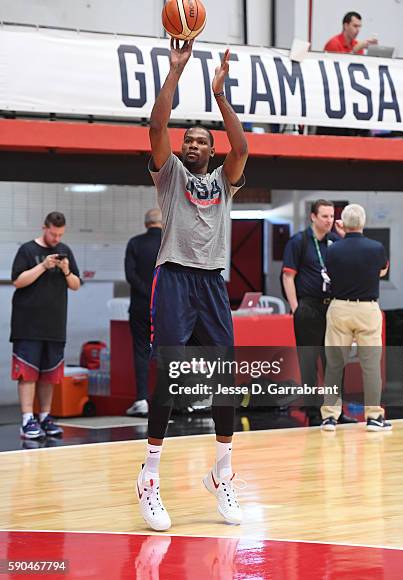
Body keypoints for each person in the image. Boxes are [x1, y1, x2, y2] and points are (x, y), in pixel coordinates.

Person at [135, 38, 248, 532]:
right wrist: (176, 70)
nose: (194, 144)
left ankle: (222, 471)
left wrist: (220, 95)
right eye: (190, 139)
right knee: (169, 376)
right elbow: (157, 125)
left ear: (212, 149)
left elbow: (242, 147)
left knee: (227, 379)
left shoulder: (225, 181)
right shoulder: (171, 176)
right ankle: (150, 476)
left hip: (212, 284)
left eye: (203, 140)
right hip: (176, 277)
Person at [282, 199, 357, 426]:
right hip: (308, 307)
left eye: (332, 216)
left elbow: (354, 261)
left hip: (332, 306)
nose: (329, 220)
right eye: (324, 216)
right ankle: (314, 413)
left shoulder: (336, 241)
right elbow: (288, 277)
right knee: (309, 362)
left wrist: (345, 237)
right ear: (313, 217)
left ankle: (335, 411)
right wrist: (296, 308)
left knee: (335, 361)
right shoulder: (299, 242)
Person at [10, 211, 81, 439]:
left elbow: (76, 284)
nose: (56, 239)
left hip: (55, 325)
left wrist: (65, 270)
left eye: (60, 234)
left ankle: (45, 416)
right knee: (28, 374)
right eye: (53, 234)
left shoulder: (65, 251)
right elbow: (18, 281)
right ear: (44, 228)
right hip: (27, 324)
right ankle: (27, 419)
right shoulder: (27, 250)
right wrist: (43, 266)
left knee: (49, 375)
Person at [321, 204, 391, 432]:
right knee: (370, 367)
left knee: (334, 365)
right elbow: (382, 271)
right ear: (363, 223)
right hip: (368, 310)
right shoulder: (377, 248)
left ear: (343, 223)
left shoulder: (333, 249)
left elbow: (331, 273)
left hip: (339, 308)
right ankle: (373, 417)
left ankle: (330, 417)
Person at [125, 208, 162, 417]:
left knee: (141, 351)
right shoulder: (169, 242)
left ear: (145, 223)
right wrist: (158, 295)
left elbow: (130, 275)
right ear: (161, 223)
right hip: (166, 308)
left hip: (140, 306)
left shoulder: (135, 243)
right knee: (168, 351)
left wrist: (147, 293)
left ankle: (141, 400)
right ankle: (170, 399)